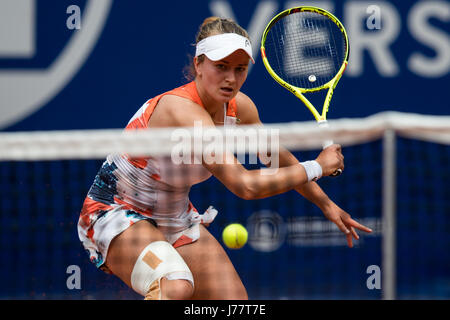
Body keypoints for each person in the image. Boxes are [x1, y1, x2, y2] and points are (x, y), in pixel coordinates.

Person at [78, 17, 372, 300]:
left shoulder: (240, 109)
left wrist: (327, 205)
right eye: (221, 67)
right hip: (115, 214)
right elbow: (244, 185)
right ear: (199, 64)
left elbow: (279, 161)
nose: (231, 78)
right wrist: (318, 166)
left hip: (174, 217)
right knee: (176, 285)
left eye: (240, 69)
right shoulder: (179, 110)